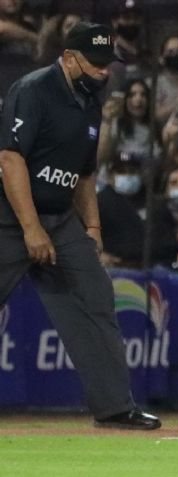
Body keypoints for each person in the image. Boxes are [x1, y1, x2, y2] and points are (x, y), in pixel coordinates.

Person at [0, 22, 160, 429]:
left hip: (60, 219)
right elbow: (10, 160)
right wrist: (31, 228)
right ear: (69, 59)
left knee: (96, 297)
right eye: (96, 63)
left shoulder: (90, 100)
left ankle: (114, 407)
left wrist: (92, 228)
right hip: (9, 218)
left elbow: (84, 173)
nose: (104, 71)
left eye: (109, 64)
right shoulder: (33, 90)